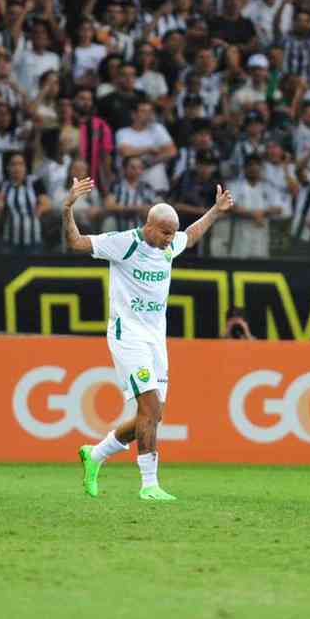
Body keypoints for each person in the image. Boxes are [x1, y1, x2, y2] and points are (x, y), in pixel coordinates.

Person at [65, 176, 234, 501]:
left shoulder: (169, 246)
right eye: (167, 233)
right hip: (127, 336)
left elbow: (192, 235)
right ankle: (149, 485)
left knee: (152, 415)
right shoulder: (123, 243)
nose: (172, 240)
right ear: (150, 227)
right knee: (150, 405)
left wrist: (214, 211)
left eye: (173, 234)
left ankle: (94, 455)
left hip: (156, 340)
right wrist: (68, 206)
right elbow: (76, 242)